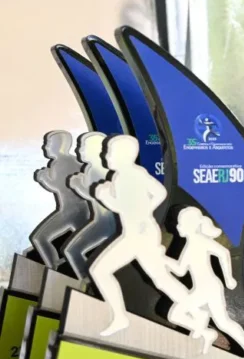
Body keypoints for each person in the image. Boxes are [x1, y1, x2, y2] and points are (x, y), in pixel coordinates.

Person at [89, 135, 205, 336]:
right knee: (160, 278)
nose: (105, 155)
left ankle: (120, 317)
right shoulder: (133, 173)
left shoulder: (126, 176)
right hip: (141, 233)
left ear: (124, 156)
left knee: (101, 271)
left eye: (109, 152)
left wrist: (104, 195)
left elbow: (123, 207)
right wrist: (146, 212)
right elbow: (160, 193)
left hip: (139, 236)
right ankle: (197, 312)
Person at [165, 207, 244, 359]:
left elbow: (223, 253)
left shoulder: (201, 241)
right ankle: (204, 340)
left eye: (181, 223)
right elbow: (180, 270)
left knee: (179, 314)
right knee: (218, 321)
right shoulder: (190, 244)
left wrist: (229, 278)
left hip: (209, 288)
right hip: (203, 288)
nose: (178, 227)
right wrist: (164, 260)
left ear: (192, 225)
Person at [30, 131, 91, 268]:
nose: (45, 147)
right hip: (82, 208)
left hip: (69, 211)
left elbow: (58, 186)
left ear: (59, 146)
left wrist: (43, 178)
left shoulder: (59, 163)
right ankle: (82, 269)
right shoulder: (75, 161)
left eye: (49, 144)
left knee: (40, 238)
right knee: (82, 243)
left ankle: (54, 267)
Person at [62, 132, 117, 280]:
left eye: (83, 147)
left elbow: (92, 194)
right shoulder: (92, 169)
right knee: (75, 251)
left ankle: (88, 282)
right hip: (102, 220)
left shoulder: (96, 170)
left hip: (106, 222)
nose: (79, 150)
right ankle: (90, 281)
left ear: (94, 149)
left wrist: (77, 184)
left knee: (73, 250)